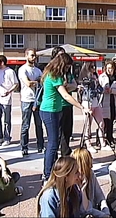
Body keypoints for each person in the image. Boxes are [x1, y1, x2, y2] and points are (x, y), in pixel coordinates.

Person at [39, 53, 85, 183]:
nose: (67, 70)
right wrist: (81, 106)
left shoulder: (50, 73)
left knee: (54, 142)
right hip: (50, 111)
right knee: (53, 144)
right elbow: (65, 95)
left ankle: (50, 170)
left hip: (53, 110)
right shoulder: (55, 76)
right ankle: (47, 174)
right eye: (66, 67)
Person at [78, 61, 112, 153]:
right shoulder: (85, 78)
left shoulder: (95, 76)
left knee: (101, 123)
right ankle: (88, 144)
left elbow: (99, 89)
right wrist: (93, 83)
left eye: (94, 67)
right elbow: (86, 88)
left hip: (96, 102)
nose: (94, 69)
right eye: (92, 67)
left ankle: (103, 143)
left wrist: (103, 88)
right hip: (87, 102)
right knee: (87, 124)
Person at [52, 46, 77, 157]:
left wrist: (65, 88)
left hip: (68, 104)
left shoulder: (67, 73)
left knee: (67, 131)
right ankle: (57, 155)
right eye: (60, 55)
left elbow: (74, 85)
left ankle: (65, 153)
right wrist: (64, 88)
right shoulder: (55, 73)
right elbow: (60, 91)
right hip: (58, 105)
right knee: (58, 132)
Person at [0, 55, 19, 146]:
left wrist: (9, 91)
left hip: (6, 100)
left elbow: (16, 83)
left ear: (2, 62)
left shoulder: (10, 72)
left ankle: (7, 137)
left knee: (6, 121)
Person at [18, 48, 44, 156]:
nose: (33, 58)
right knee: (25, 125)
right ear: (26, 56)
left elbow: (42, 82)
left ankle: (40, 146)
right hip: (26, 99)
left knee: (39, 124)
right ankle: (24, 147)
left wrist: (37, 81)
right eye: (31, 55)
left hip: (37, 100)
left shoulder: (38, 70)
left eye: (34, 56)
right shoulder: (22, 69)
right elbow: (28, 83)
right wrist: (37, 81)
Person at [71, 148, 111, 218]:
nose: (91, 165)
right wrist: (102, 215)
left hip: (93, 211)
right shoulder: (73, 181)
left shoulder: (90, 173)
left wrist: (106, 212)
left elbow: (100, 196)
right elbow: (84, 210)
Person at [99, 61, 116, 146]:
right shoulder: (102, 77)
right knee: (104, 122)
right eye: (108, 68)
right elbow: (99, 89)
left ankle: (110, 137)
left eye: (111, 68)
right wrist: (104, 90)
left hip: (113, 101)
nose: (110, 70)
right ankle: (101, 139)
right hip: (104, 102)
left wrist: (112, 90)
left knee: (112, 120)